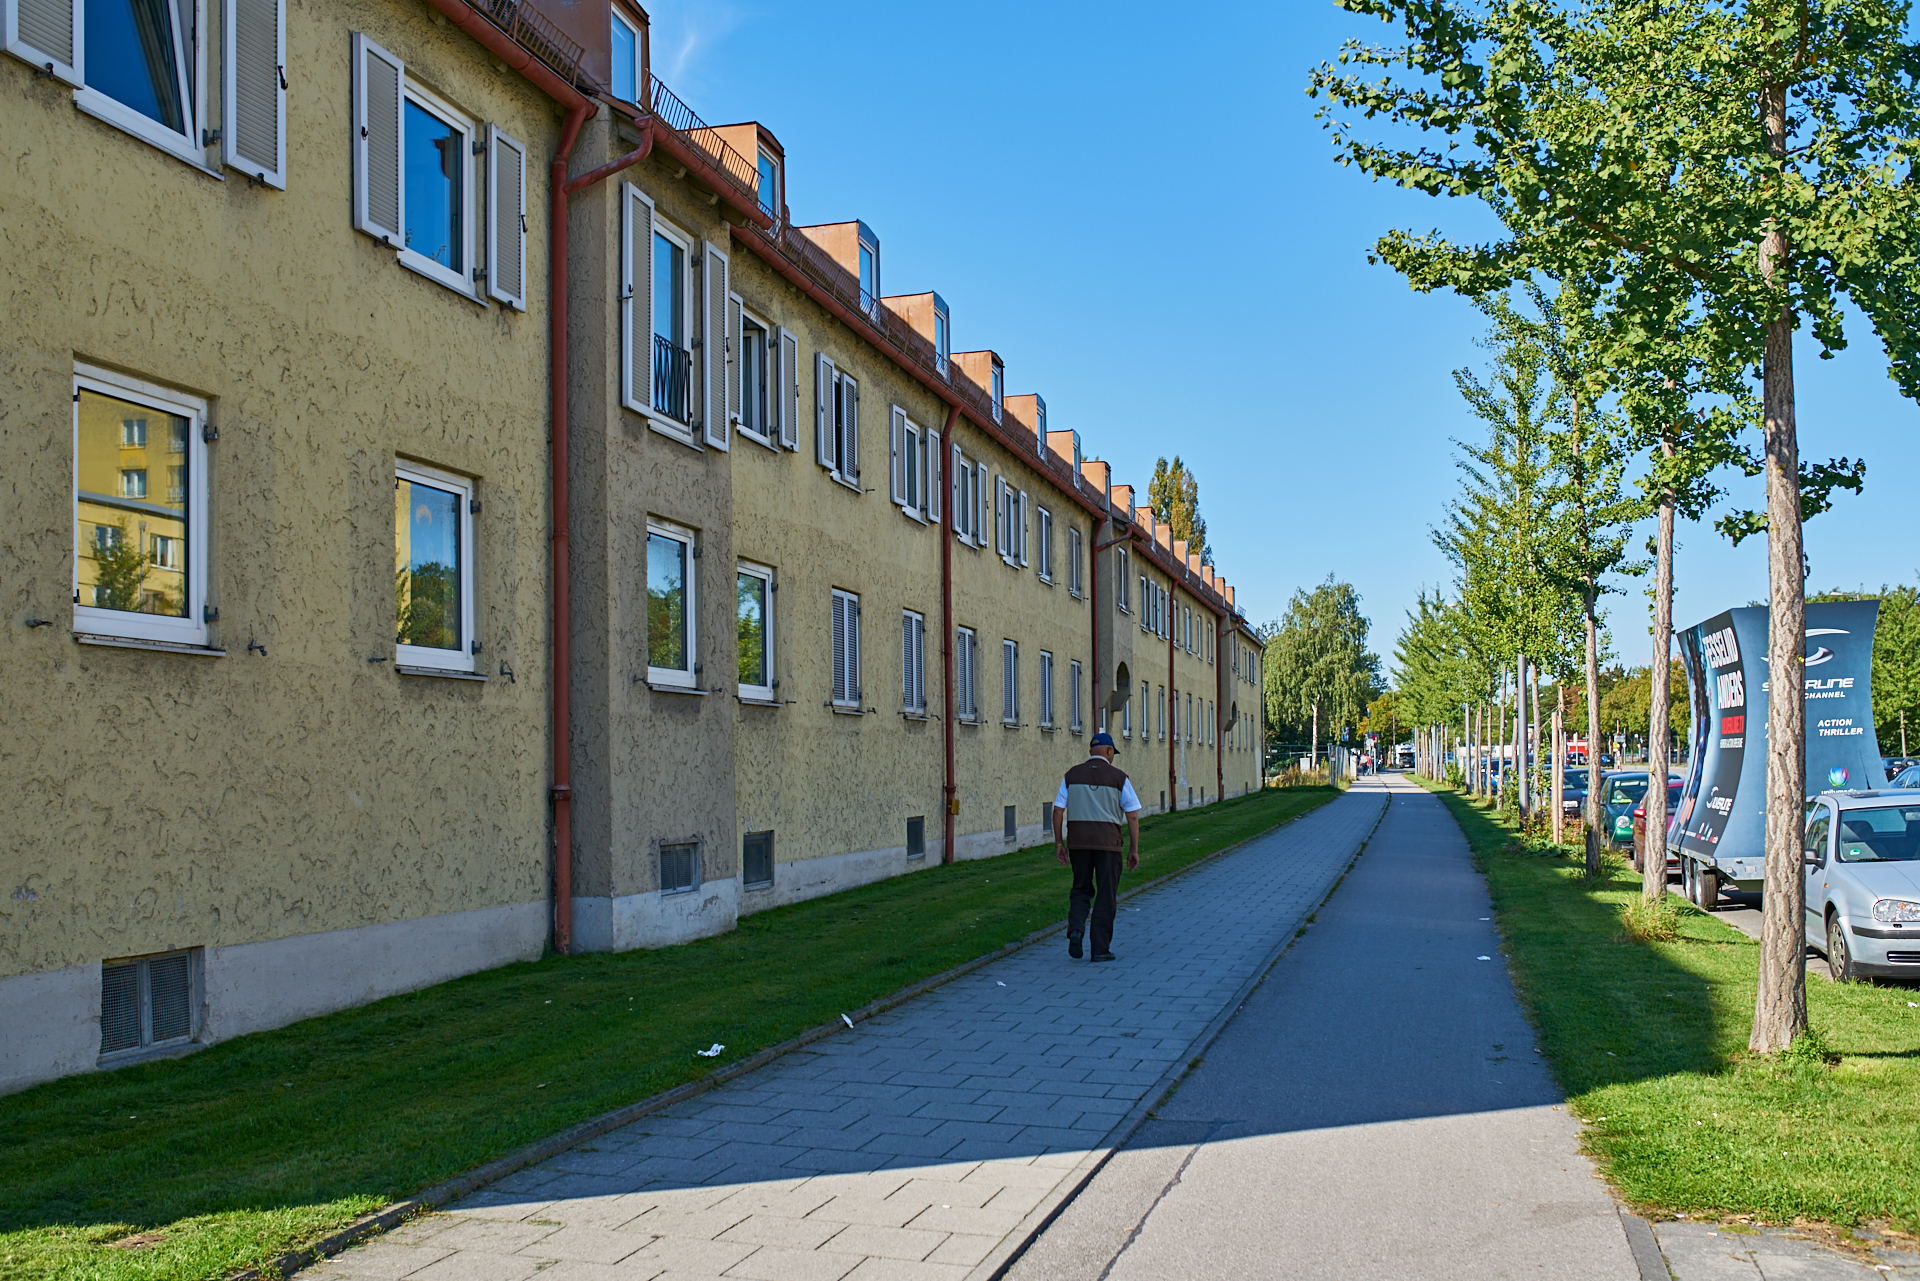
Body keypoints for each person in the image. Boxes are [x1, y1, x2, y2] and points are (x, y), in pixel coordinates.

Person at [1053, 731, 1143, 962]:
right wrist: (1133, 849)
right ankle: (1100, 950)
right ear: (1109, 751)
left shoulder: (1072, 775)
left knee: (1081, 889)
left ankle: (1076, 929)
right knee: (1105, 894)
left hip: (1079, 843)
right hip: (1109, 845)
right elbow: (1132, 816)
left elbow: (1057, 810)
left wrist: (1059, 843)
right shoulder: (1119, 777)